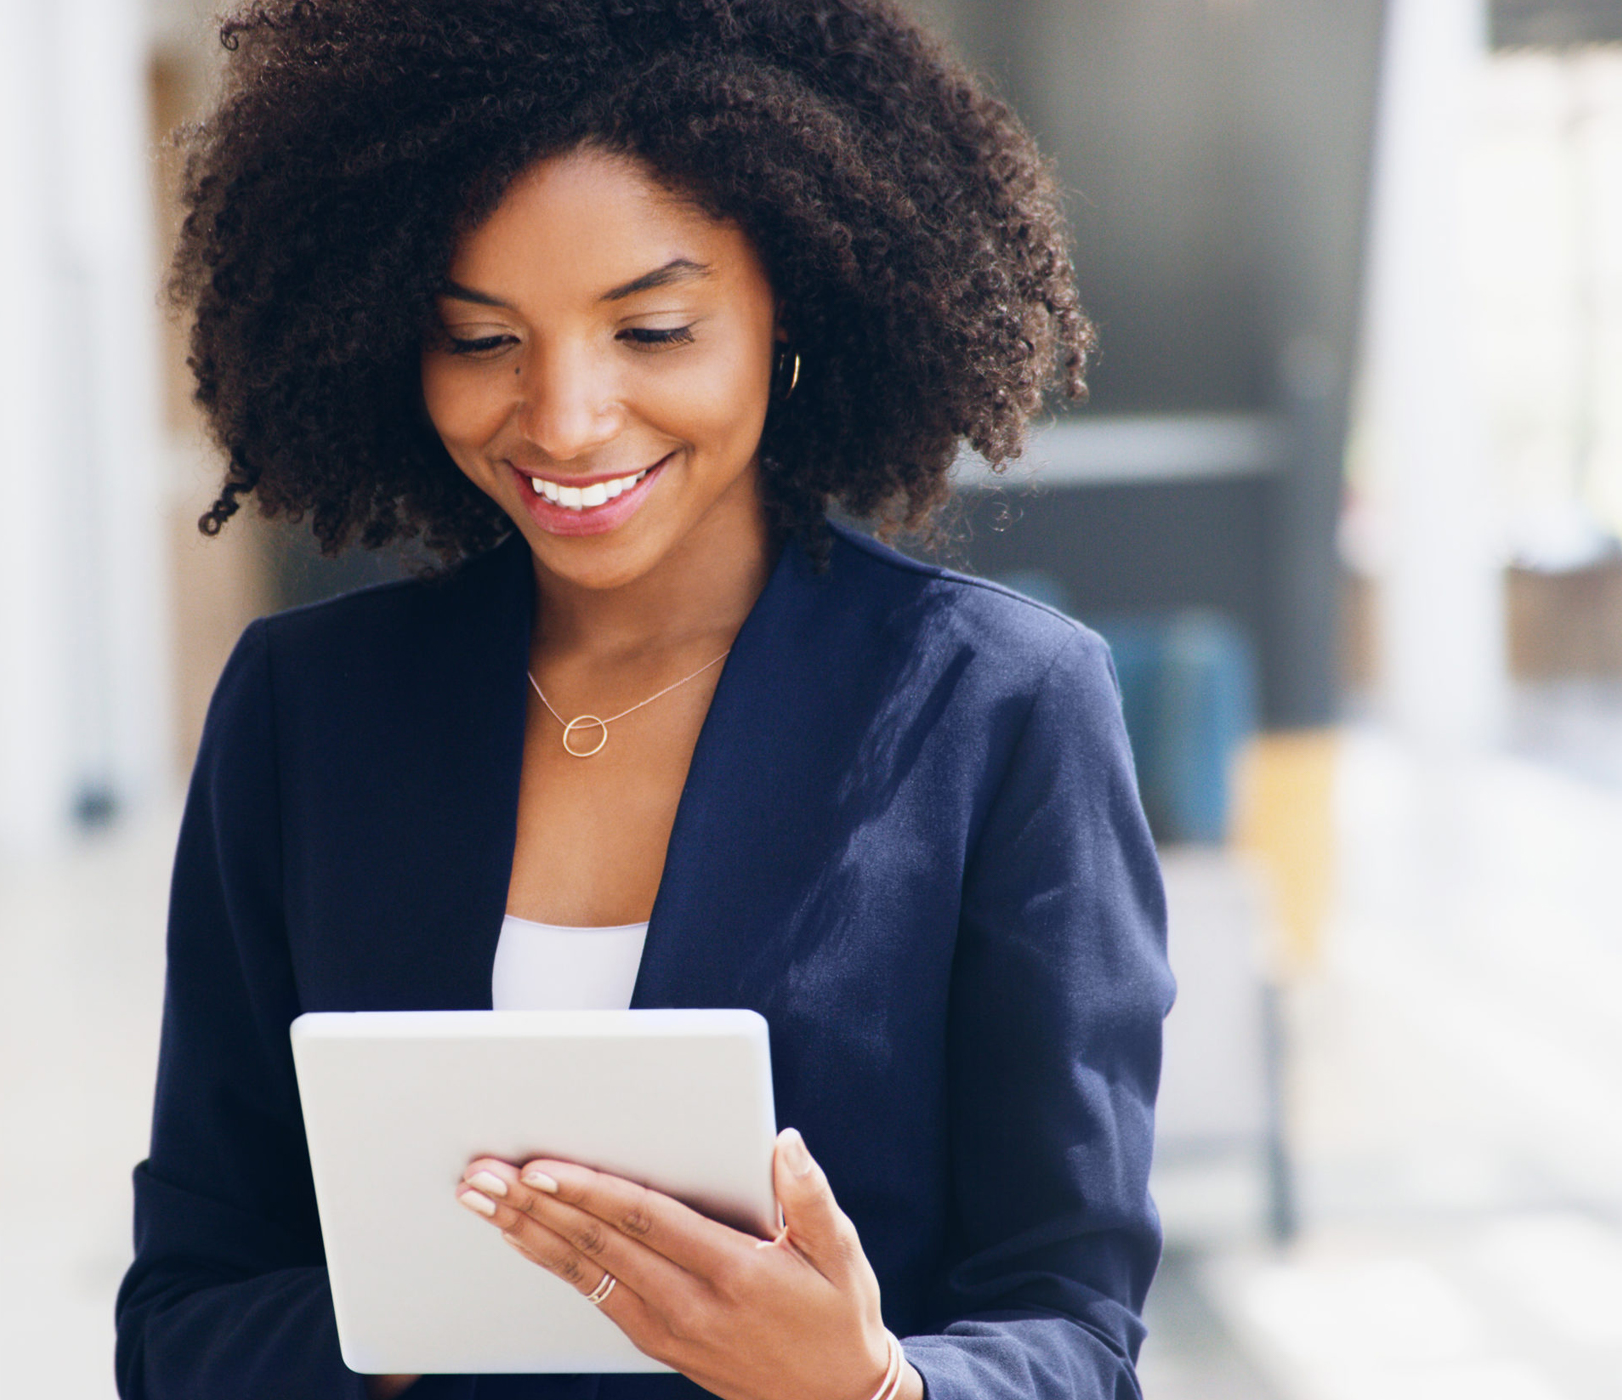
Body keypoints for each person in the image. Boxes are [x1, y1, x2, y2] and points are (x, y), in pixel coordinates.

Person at [115, 2, 1172, 1399]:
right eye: (482, 340)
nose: (564, 417)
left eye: (654, 327)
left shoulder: (999, 712)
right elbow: (182, 1319)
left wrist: (870, 1389)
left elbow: (1077, 1330)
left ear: (789, 307)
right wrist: (405, 1322)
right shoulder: (305, 714)